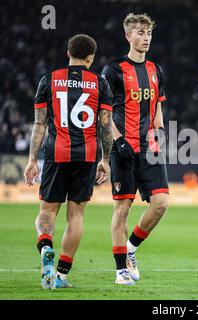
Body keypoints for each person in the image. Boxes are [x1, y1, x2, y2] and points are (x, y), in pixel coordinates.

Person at [24, 34, 113, 289]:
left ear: (68, 53)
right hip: (86, 156)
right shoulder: (100, 83)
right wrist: (105, 160)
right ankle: (61, 275)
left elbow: (39, 124)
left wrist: (32, 159)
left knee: (47, 212)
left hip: (56, 153)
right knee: (76, 216)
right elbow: (106, 127)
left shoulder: (49, 80)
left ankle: (45, 246)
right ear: (90, 57)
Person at [101, 13, 169, 285]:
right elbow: (104, 115)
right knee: (123, 208)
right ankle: (121, 271)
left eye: (149, 32)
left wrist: (161, 132)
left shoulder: (156, 70)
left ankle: (130, 249)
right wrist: (117, 141)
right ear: (128, 36)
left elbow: (158, 107)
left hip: (149, 147)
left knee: (161, 203)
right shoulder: (113, 70)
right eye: (140, 33)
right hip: (123, 149)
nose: (146, 37)